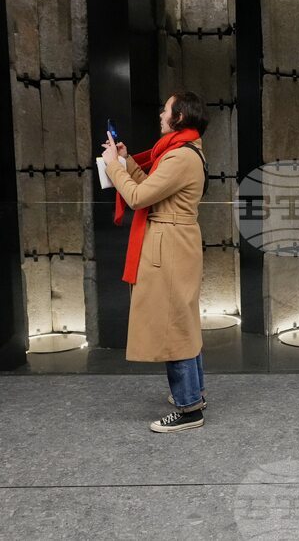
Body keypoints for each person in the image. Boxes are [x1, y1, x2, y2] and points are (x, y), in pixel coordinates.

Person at [101, 91, 209, 433]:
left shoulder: (179, 157)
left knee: (172, 326)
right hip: (174, 242)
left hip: (169, 247)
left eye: (165, 110)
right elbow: (152, 187)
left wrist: (114, 168)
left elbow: (136, 196)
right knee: (182, 321)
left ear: (179, 117)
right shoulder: (182, 151)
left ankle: (189, 408)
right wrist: (128, 162)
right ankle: (195, 394)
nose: (160, 114)